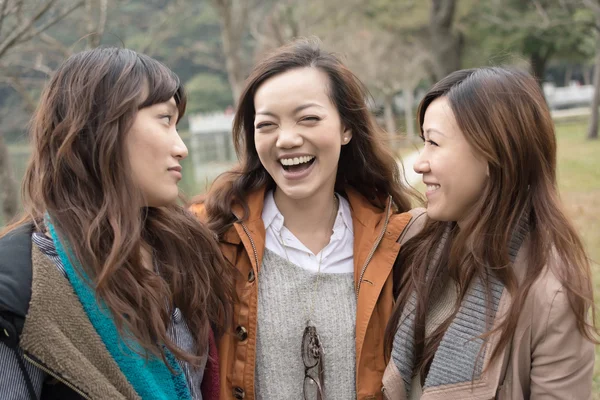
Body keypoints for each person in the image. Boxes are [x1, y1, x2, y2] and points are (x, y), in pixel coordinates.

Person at [191, 38, 418, 400]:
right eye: (267, 125)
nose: (287, 139)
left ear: (346, 128)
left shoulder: (396, 244)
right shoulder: (212, 237)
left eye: (308, 118)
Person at [0, 47, 233, 400]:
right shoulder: (23, 284)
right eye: (164, 120)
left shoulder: (186, 251)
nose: (181, 147)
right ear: (102, 126)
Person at [382, 67, 597, 399]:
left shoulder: (550, 295)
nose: (419, 164)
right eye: (423, 143)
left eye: (434, 143)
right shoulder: (413, 239)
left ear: (493, 154)